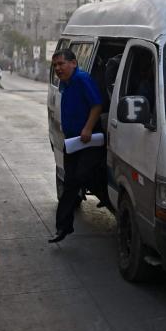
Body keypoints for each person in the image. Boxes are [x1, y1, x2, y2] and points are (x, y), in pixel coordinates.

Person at [49, 49, 109, 243]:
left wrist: (88, 128)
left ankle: (106, 198)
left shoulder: (82, 79)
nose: (58, 68)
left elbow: (97, 105)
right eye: (55, 65)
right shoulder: (64, 83)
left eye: (61, 64)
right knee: (70, 183)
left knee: (80, 177)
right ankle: (63, 227)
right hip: (73, 142)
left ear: (73, 63)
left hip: (88, 141)